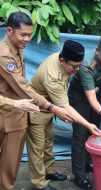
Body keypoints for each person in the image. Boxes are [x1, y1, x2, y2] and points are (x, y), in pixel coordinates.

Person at [0, 12, 75, 190]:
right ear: (9, 31)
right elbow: (22, 87)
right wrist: (51, 107)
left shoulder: (17, 48)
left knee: (12, 163)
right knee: (8, 166)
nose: (27, 39)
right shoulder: (5, 56)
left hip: (19, 114)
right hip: (9, 117)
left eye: (29, 34)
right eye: (23, 34)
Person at [25, 40, 101, 190]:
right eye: (74, 66)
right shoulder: (52, 75)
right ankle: (39, 183)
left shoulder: (62, 60)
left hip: (51, 107)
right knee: (37, 147)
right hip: (36, 108)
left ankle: (49, 171)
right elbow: (66, 108)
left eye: (80, 66)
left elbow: (62, 104)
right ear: (63, 60)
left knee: (48, 142)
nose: (77, 69)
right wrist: (88, 124)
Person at [68, 35, 101, 189]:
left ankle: (87, 164)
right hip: (80, 96)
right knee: (80, 134)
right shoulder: (86, 66)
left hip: (96, 92)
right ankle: (78, 175)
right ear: (98, 50)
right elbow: (90, 98)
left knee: (92, 131)